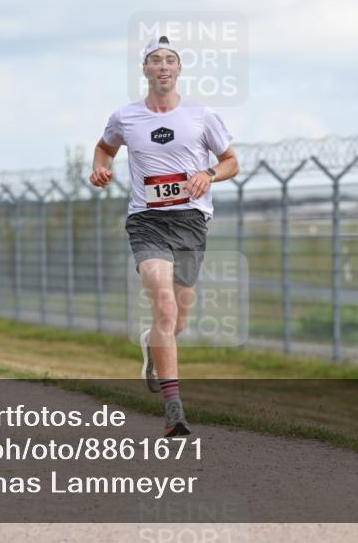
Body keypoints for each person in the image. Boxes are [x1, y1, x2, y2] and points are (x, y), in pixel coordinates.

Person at [90, 35, 239, 437]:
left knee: (179, 318)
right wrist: (100, 168)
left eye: (170, 60)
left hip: (191, 220)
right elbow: (104, 148)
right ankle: (174, 410)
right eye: (155, 60)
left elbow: (231, 163)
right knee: (165, 306)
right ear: (145, 70)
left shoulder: (201, 115)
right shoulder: (126, 117)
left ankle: (152, 347)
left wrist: (207, 176)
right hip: (147, 220)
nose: (163, 66)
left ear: (178, 70)